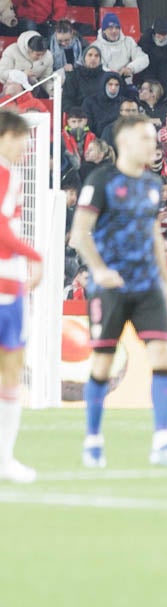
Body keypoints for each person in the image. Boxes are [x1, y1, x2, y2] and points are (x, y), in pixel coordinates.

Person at [70, 116, 167, 469]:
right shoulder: (101, 180)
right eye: (145, 138)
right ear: (125, 142)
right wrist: (100, 270)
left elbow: (155, 236)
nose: (152, 145)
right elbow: (79, 234)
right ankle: (93, 441)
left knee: (162, 356)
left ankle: (163, 442)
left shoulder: (154, 184)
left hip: (146, 287)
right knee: (103, 364)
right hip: (110, 288)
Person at [0, 112, 42, 482]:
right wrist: (35, 255)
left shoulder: (12, 176)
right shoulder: (4, 175)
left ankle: (5, 459)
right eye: (19, 138)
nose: (26, 146)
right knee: (9, 373)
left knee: (11, 374)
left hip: (11, 287)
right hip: (4, 289)